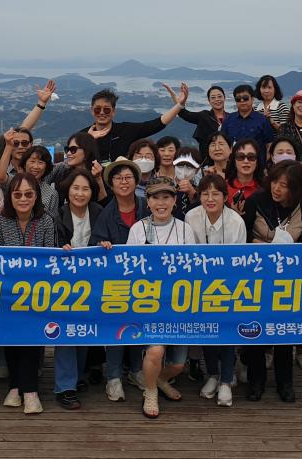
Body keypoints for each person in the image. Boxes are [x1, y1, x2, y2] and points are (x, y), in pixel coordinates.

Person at [242, 161, 302, 402]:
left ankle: (285, 382)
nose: (277, 188)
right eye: (275, 182)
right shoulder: (256, 201)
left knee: (284, 331)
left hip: (289, 279)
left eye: (284, 185)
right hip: (257, 277)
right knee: (255, 329)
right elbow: (242, 236)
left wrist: (292, 249)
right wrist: (258, 245)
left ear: (295, 188)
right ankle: (256, 381)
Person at [121, 177, 193, 418]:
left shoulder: (185, 229)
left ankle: (160, 380)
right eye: (155, 198)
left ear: (174, 201)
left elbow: (193, 267)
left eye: (166, 197)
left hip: (179, 304)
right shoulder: (138, 229)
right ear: (148, 201)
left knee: (178, 364)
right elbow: (129, 268)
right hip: (149, 304)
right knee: (155, 351)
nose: (161, 203)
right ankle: (150, 391)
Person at [0, 174, 56, 415]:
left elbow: (50, 257)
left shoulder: (46, 221)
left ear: (36, 196)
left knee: (30, 339)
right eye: (17, 194)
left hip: (38, 292)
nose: (23, 199)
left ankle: (30, 390)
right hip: (8, 293)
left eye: (29, 194)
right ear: (10, 197)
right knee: (12, 339)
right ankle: (15, 386)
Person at [92, 157, 150, 401]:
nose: (124, 182)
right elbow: (96, 242)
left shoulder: (146, 207)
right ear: (111, 183)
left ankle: (136, 370)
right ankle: (113, 377)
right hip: (116, 283)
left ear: (136, 181)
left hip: (145, 280)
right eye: (118, 178)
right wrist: (102, 244)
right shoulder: (106, 212)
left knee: (139, 325)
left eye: (128, 178)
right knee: (117, 328)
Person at [185, 173, 245, 407]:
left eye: (216, 194)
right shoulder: (191, 217)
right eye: (205, 194)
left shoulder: (236, 222)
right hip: (199, 286)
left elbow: (239, 261)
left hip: (229, 285)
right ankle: (212, 374)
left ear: (225, 197)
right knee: (207, 330)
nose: (210, 199)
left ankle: (226, 380)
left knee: (227, 331)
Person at [49, 168, 103, 410]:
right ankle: (65, 386)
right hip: (64, 285)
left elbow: (107, 238)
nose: (80, 193)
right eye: (75, 188)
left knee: (83, 332)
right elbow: (51, 247)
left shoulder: (100, 212)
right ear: (67, 190)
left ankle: (77, 376)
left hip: (93, 283)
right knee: (65, 333)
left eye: (86, 188)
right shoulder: (57, 215)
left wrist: (105, 243)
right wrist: (60, 248)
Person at [81, 84, 188, 163]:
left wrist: (179, 105)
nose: (102, 113)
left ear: (113, 112)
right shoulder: (83, 136)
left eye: (107, 109)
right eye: (97, 109)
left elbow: (156, 124)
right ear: (92, 111)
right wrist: (89, 140)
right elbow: (73, 158)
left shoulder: (125, 130)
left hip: (121, 183)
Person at [45, 132, 104, 201]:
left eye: (73, 150)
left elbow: (104, 203)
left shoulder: (100, 173)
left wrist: (98, 179)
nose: (68, 153)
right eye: (67, 149)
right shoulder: (62, 172)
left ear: (87, 151)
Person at [177, 84, 228, 156]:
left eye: (219, 96)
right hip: (207, 158)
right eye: (213, 97)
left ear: (224, 98)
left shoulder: (231, 118)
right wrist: (182, 102)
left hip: (227, 158)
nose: (217, 99)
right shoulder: (204, 116)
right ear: (209, 101)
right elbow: (184, 114)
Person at [220, 84, 275, 149]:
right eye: (238, 99)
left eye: (245, 98)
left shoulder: (263, 120)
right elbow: (222, 142)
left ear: (252, 99)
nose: (242, 100)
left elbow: (269, 145)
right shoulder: (228, 120)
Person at [225, 139, 265, 215]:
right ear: (234, 161)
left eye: (251, 157)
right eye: (240, 157)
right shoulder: (223, 187)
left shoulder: (265, 188)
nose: (246, 161)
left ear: (257, 161)